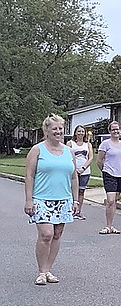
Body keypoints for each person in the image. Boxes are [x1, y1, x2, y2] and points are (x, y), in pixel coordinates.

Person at [24, 114, 79, 285]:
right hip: (41, 198)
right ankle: (41, 271)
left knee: (57, 234)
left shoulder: (69, 151)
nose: (58, 131)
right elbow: (29, 175)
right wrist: (29, 200)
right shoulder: (37, 150)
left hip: (63, 199)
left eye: (61, 128)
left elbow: (74, 177)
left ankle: (48, 269)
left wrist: (75, 200)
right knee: (46, 234)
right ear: (46, 130)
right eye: (54, 128)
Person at [96, 121, 121, 234]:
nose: (116, 131)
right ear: (110, 131)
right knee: (110, 200)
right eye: (113, 129)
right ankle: (108, 226)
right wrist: (105, 171)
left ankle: (112, 225)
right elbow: (99, 160)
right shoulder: (105, 144)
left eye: (117, 129)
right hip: (109, 174)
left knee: (115, 200)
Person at [66, 125, 93, 220]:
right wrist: (74, 169)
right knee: (72, 191)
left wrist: (83, 168)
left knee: (81, 191)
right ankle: (70, 210)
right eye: (79, 131)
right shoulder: (70, 144)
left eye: (82, 131)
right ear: (75, 132)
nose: (81, 133)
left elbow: (91, 158)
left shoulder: (88, 144)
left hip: (85, 172)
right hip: (73, 171)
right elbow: (66, 157)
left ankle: (78, 211)